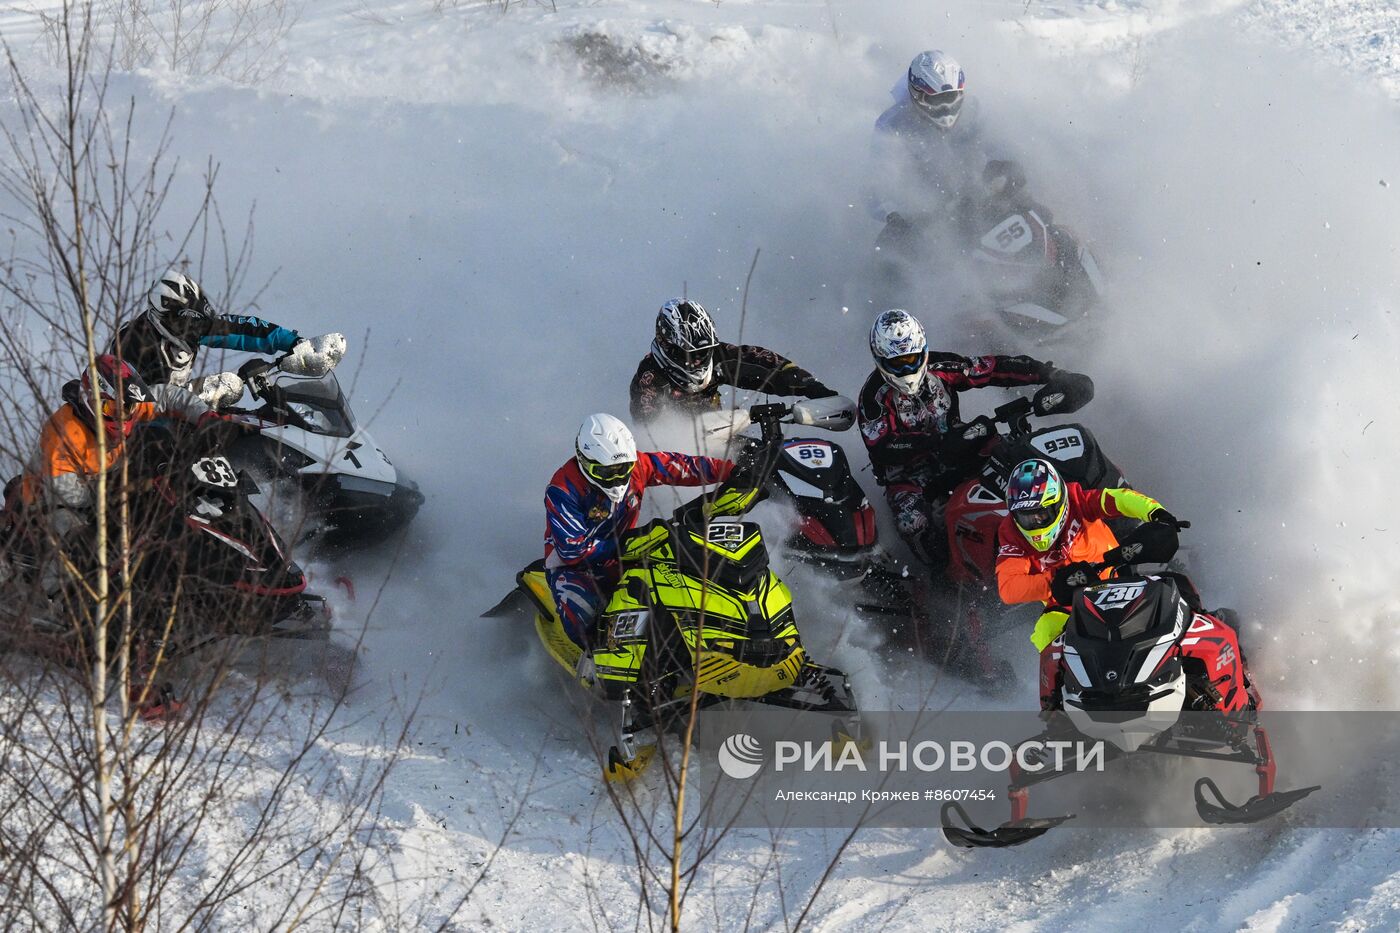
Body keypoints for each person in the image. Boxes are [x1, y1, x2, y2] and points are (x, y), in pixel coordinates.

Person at [856, 308, 1076, 568]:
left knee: (1020, 456)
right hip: (910, 479)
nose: (907, 367)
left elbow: (992, 368)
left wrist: (1049, 374)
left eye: (912, 358)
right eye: (897, 363)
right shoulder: (873, 398)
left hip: (962, 449)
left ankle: (1069, 517)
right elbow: (883, 447)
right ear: (880, 359)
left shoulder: (941, 367)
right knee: (913, 522)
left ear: (923, 350)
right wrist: (936, 443)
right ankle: (945, 583)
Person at [994, 457, 1183, 710]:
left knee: (1178, 589)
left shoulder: (1077, 499)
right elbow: (1008, 588)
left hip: (1118, 579)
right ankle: (1056, 710)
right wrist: (1055, 582)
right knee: (1045, 632)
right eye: (1027, 516)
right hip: (1069, 606)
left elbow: (1119, 499)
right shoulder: (1011, 533)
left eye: (1042, 513)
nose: (1036, 522)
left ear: (1058, 502)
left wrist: (1154, 511)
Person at [544, 413, 735, 649]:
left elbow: (679, 466)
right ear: (584, 460)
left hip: (629, 554)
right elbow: (573, 550)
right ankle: (595, 662)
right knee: (583, 616)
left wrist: (730, 471)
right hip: (574, 568)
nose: (616, 479)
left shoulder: (638, 466)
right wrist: (633, 542)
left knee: (682, 583)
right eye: (606, 472)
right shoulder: (563, 488)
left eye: (622, 468)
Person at [9, 355, 209, 554]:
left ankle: (191, 495)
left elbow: (167, 396)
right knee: (80, 540)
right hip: (51, 504)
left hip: (105, 484)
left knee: (157, 437)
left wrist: (204, 415)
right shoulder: (64, 432)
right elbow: (65, 491)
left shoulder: (128, 408)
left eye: (127, 407)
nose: (121, 415)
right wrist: (113, 489)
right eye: (110, 407)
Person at [110, 269, 343, 408]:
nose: (194, 329)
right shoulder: (132, 344)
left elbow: (240, 330)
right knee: (226, 387)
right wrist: (201, 391)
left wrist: (294, 343)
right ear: (164, 317)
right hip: (136, 437)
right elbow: (137, 403)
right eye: (186, 322)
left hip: (181, 412)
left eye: (197, 320)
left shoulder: (193, 326)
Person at [628, 298, 836, 424]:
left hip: (725, 437)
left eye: (704, 352)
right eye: (691, 354)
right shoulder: (650, 377)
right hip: (682, 460)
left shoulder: (718, 355)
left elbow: (762, 363)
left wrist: (810, 386)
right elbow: (650, 428)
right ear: (668, 345)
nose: (699, 360)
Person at [868, 49, 996, 225]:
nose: (945, 108)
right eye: (935, 100)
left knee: (1036, 211)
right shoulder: (892, 125)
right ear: (916, 95)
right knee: (890, 243)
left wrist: (1008, 170)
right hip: (928, 216)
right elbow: (877, 185)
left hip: (982, 199)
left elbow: (999, 147)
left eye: (951, 98)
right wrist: (894, 216)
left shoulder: (975, 109)